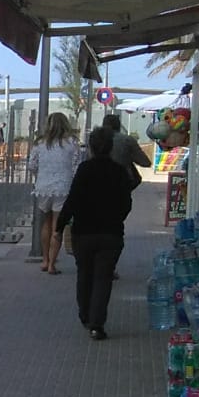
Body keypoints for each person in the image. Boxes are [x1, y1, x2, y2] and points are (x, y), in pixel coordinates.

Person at [51, 126, 133, 341]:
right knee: (103, 278)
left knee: (84, 274)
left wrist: (59, 227)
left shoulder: (85, 169)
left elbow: (72, 200)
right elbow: (126, 202)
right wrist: (117, 218)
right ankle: (97, 324)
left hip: (84, 233)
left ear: (91, 147)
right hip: (111, 234)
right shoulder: (118, 171)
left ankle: (85, 315)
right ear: (111, 147)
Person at [27, 112, 81, 274]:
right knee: (58, 227)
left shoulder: (40, 144)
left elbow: (32, 165)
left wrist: (40, 175)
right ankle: (52, 264)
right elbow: (76, 166)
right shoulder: (72, 143)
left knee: (46, 223)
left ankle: (44, 260)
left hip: (43, 188)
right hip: (63, 188)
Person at [102, 113, 151, 187]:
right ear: (119, 126)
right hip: (122, 185)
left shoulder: (95, 140)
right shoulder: (127, 140)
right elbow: (145, 162)